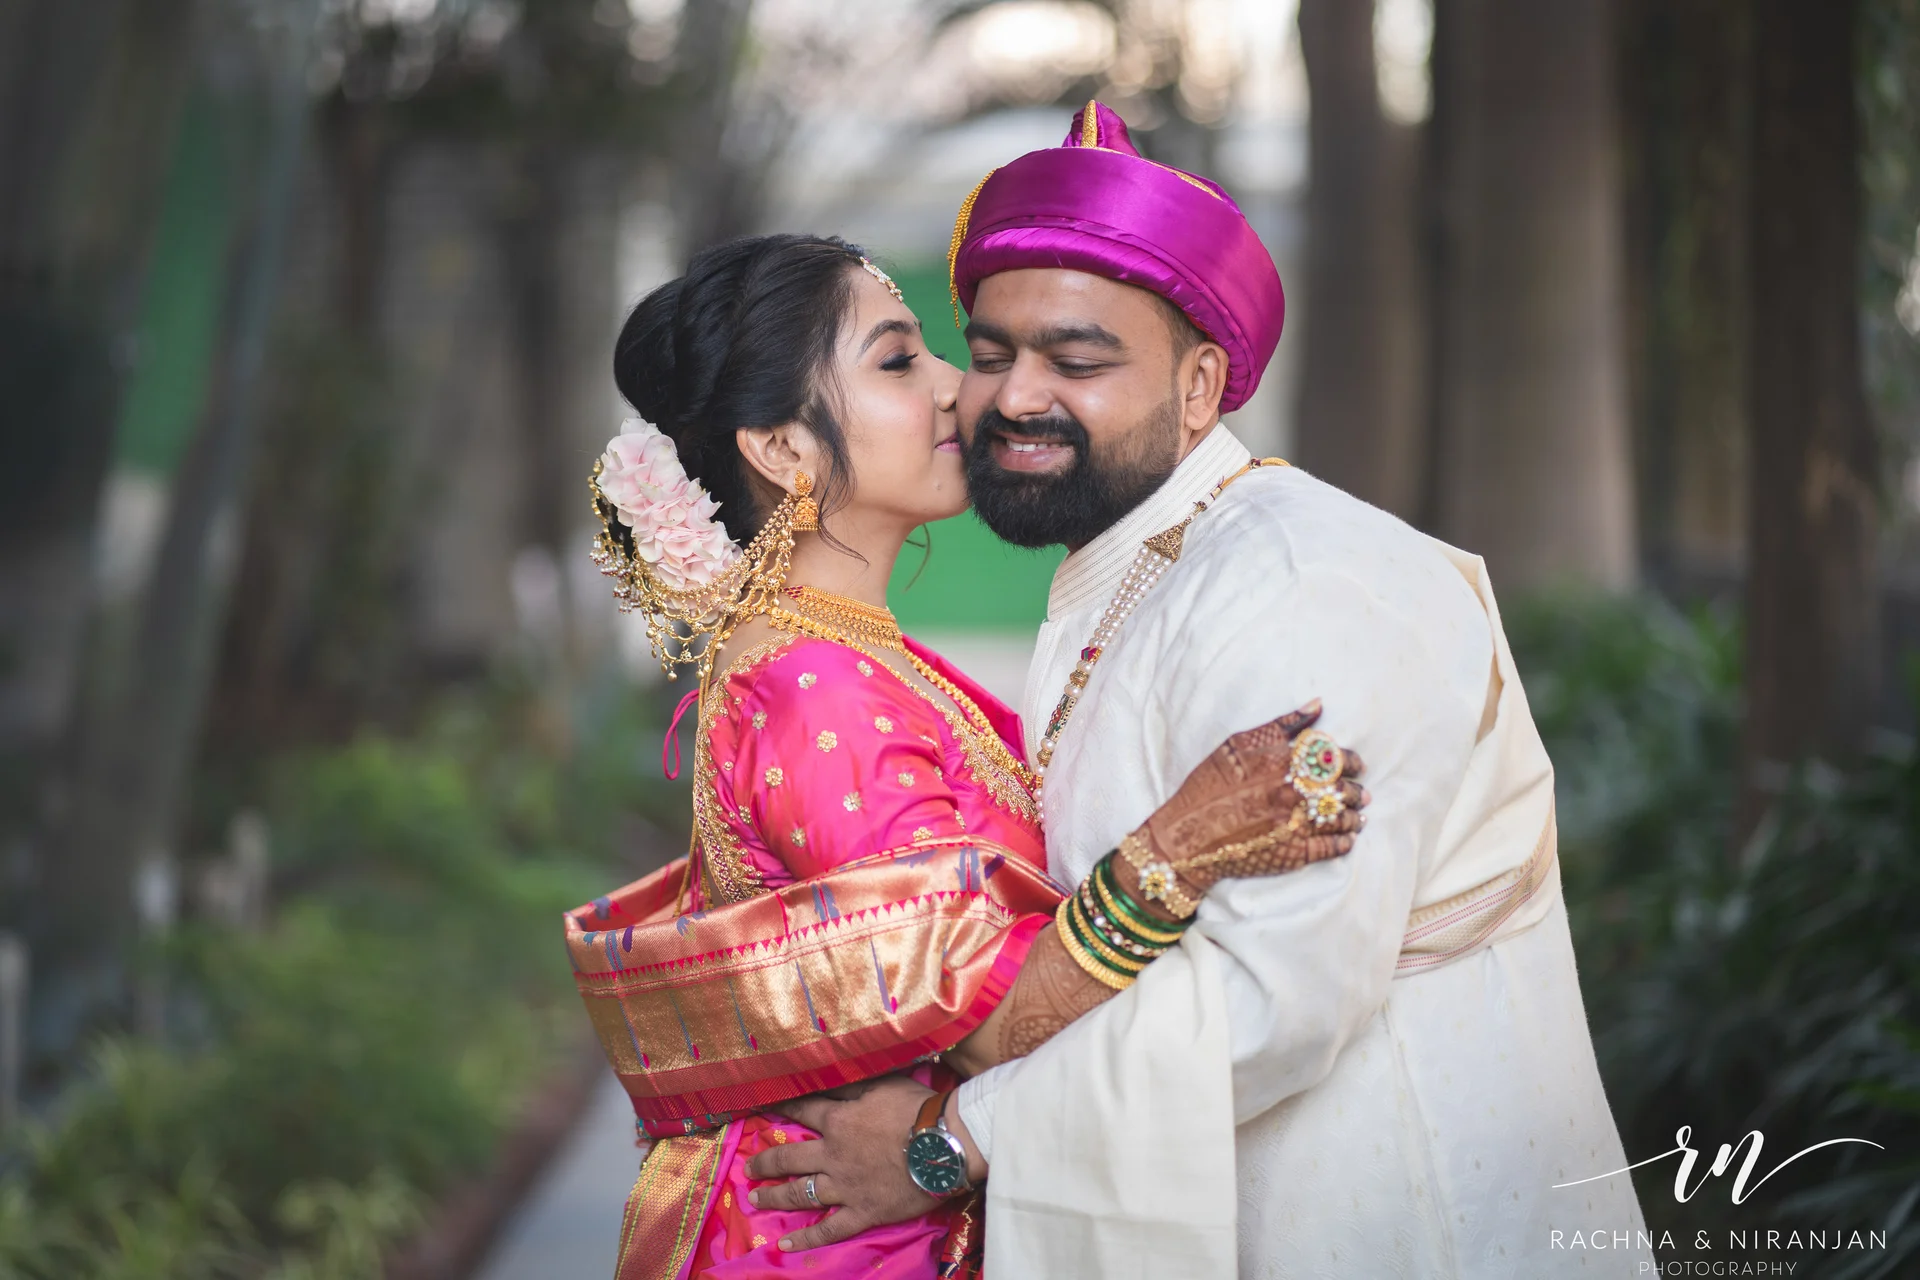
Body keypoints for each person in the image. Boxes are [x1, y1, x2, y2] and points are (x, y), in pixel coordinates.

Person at [742, 103, 1653, 1277]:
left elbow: (1274, 995)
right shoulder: (1143, 559)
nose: (1015, 397)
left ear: (1199, 383)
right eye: (990, 352)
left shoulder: (1308, 584)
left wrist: (945, 1144)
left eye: (1077, 361)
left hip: (1407, 1213)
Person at [562, 232, 1373, 1280]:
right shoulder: (817, 691)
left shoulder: (842, 655)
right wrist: (1185, 840)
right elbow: (993, 1022)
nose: (958, 388)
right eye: (899, 360)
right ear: (782, 447)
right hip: (846, 1248)